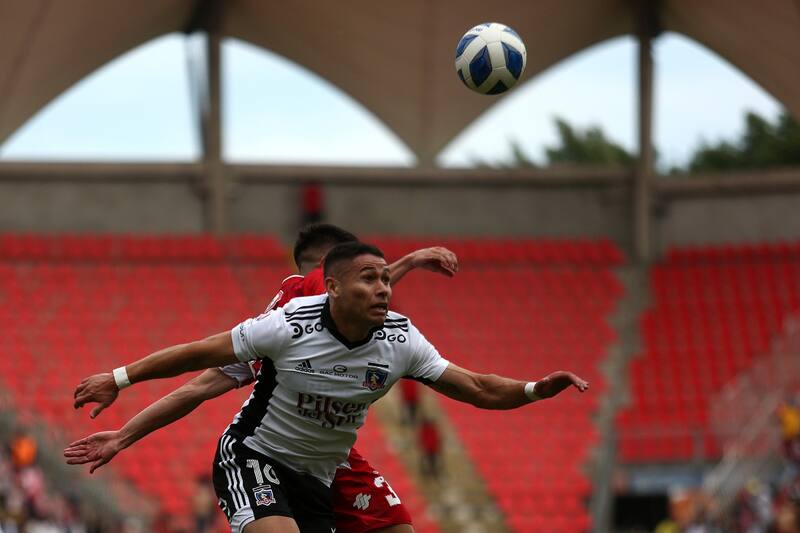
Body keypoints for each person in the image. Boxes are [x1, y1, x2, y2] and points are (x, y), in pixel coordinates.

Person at [71, 242, 589, 533]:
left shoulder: (400, 339)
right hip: (255, 456)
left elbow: (476, 386)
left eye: (387, 280)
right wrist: (119, 381)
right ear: (331, 287)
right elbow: (197, 361)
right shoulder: (285, 327)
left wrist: (533, 390)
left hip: (323, 470)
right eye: (370, 279)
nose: (383, 289)